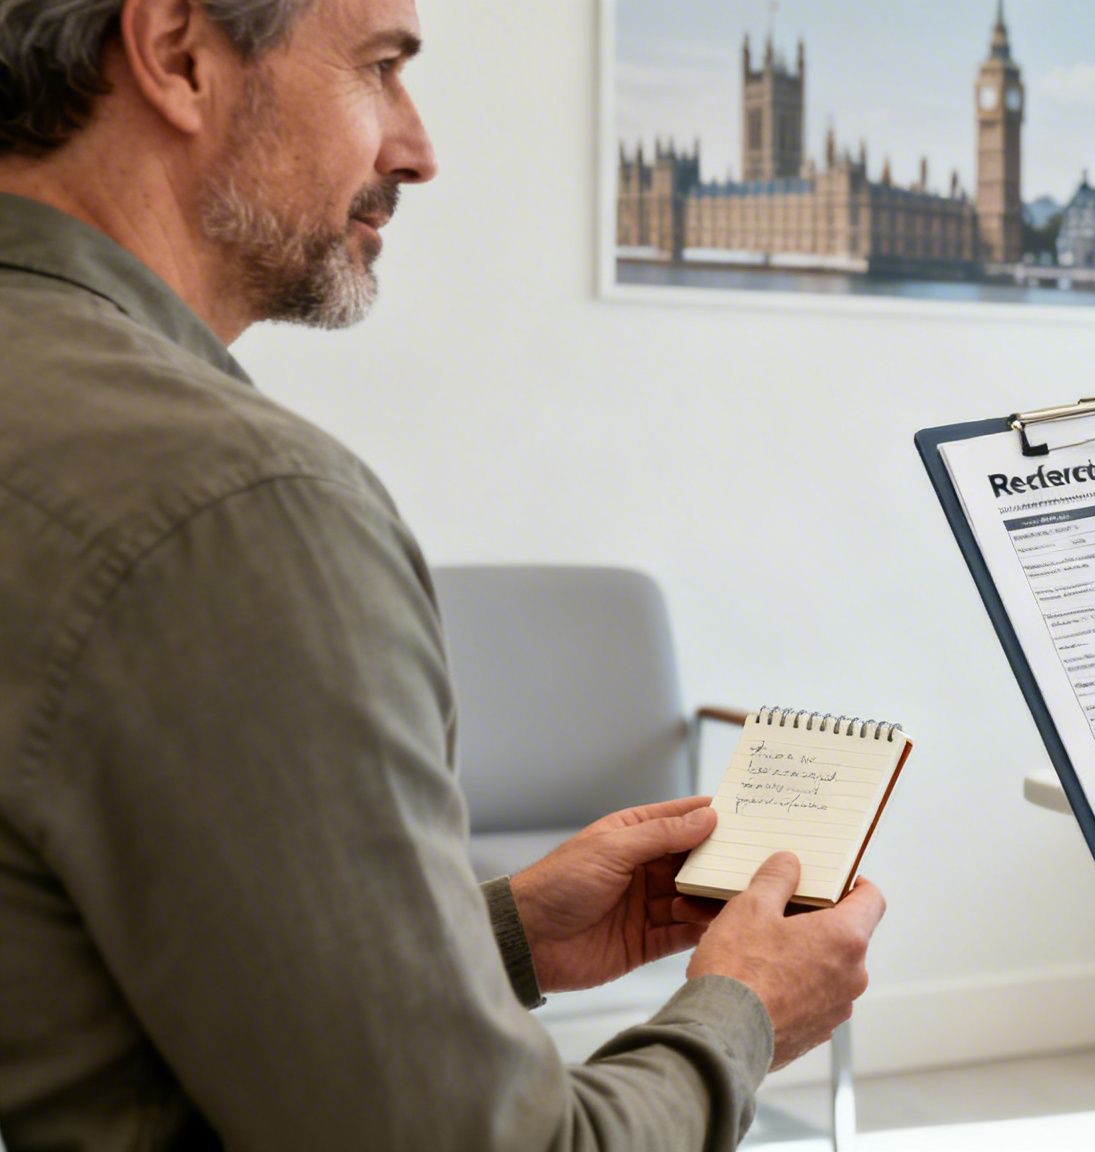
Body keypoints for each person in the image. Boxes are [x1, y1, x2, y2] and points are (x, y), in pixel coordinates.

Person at [0, 0, 884, 1147]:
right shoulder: (241, 509)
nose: (417, 147)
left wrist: (494, 937)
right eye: (379, 70)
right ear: (178, 55)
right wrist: (744, 1013)